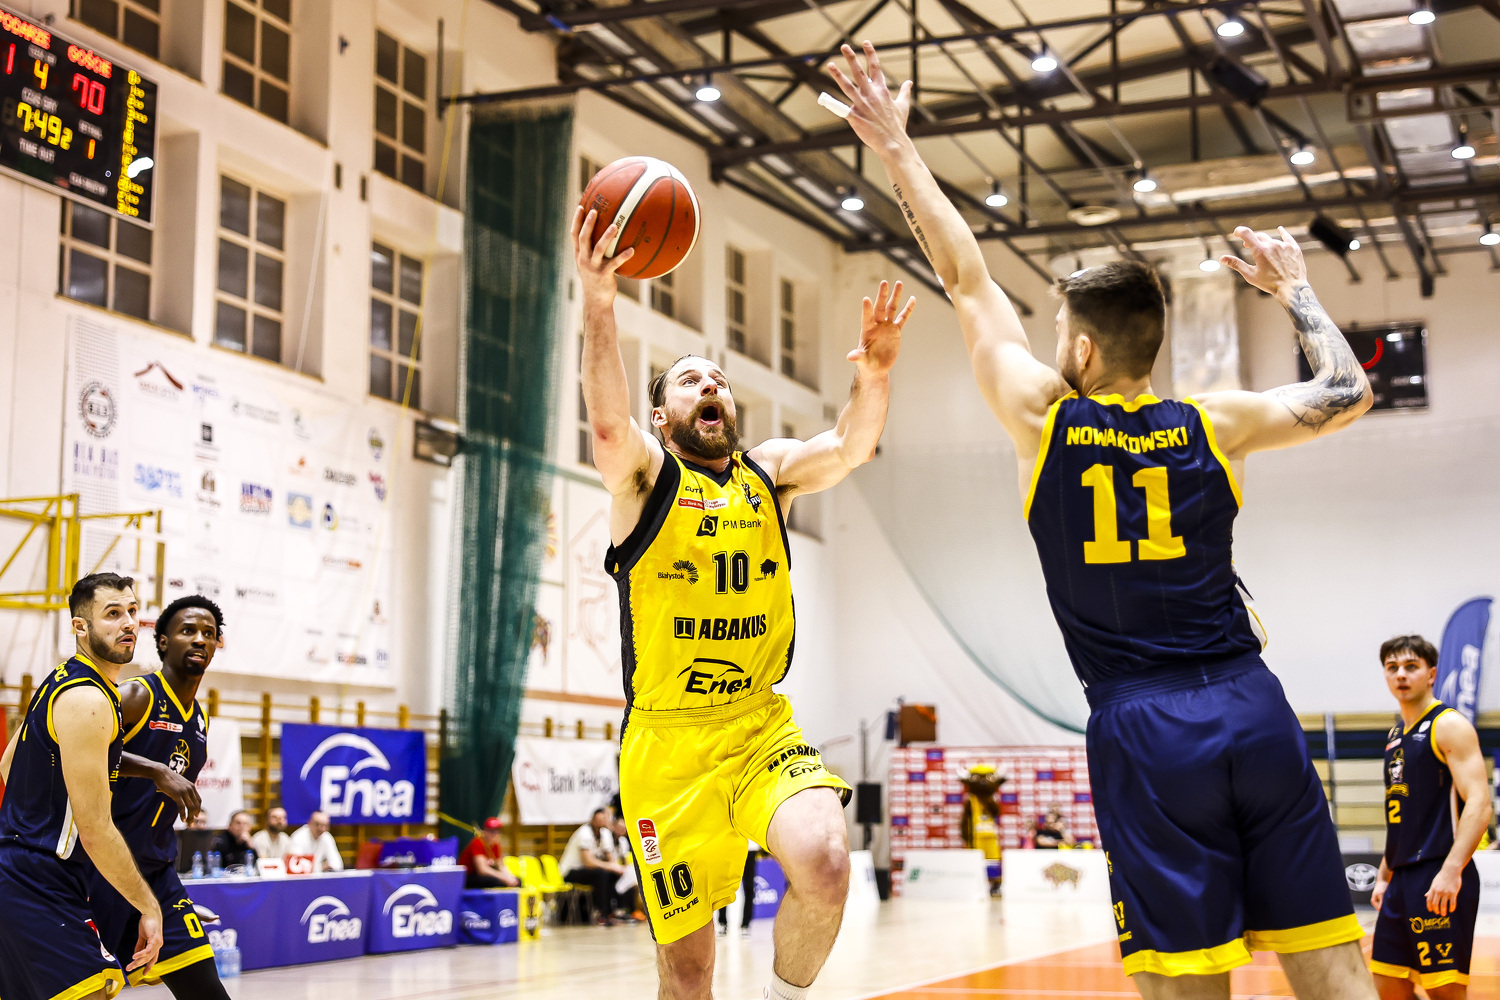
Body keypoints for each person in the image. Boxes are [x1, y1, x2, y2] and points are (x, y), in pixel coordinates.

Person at [828, 41, 1377, 1000]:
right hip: (1254, 706)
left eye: (1056, 334)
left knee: (1184, 978)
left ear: (1081, 349)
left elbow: (967, 281)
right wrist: (1294, 288)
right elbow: (1349, 391)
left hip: (1144, 723)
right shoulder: (1217, 423)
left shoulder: (1045, 419)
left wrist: (898, 150)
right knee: (1329, 962)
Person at [575, 199, 911, 1000]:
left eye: (719, 381)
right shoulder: (647, 479)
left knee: (825, 862)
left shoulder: (769, 472)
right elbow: (610, 429)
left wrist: (874, 376)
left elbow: (851, 445)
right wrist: (599, 302)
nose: (713, 386)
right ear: (665, 415)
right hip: (667, 749)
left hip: (758, 724)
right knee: (689, 974)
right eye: (692, 381)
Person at [0, 573, 164, 1000]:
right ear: (80, 626)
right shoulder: (89, 700)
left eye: (132, 611)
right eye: (112, 613)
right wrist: (148, 906)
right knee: (94, 991)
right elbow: (95, 829)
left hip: (23, 871)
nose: (128, 622)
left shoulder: (61, 680)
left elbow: (8, 764)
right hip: (35, 879)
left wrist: (39, 819)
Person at [90, 593, 233, 999]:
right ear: (164, 642)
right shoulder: (137, 695)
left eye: (209, 633)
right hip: (98, 868)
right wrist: (155, 770)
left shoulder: (199, 718)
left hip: (157, 876)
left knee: (206, 989)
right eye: (188, 630)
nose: (200, 639)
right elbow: (81, 748)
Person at [1369, 636, 1491, 999]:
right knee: (1388, 985)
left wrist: (1452, 870)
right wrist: (1384, 875)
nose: (1400, 675)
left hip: (1438, 872)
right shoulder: (1395, 736)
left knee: (1445, 992)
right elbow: (1403, 818)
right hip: (1400, 879)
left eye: (1411, 667)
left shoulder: (1448, 725)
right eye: (1392, 668)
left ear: (1431, 674)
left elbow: (1480, 804)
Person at [560, 808, 625, 926]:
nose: (602, 821)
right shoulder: (584, 833)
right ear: (593, 819)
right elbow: (588, 862)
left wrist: (616, 867)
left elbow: (610, 859)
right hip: (571, 872)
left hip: (590, 871)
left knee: (613, 874)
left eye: (605, 819)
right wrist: (610, 866)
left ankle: (614, 912)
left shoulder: (605, 833)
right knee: (602, 874)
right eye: (600, 819)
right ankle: (601, 915)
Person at [460, 817, 519, 889]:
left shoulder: (495, 845)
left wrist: (510, 877)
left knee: (517, 880)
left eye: (498, 831)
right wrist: (503, 877)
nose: (495, 834)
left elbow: (501, 866)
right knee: (495, 882)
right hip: (469, 876)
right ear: (485, 831)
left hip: (482, 876)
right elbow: (482, 870)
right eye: (492, 831)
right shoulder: (478, 843)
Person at [716, 841, 759, 938]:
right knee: (724, 886)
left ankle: (746, 925)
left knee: (749, 886)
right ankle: (722, 922)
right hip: (730, 846)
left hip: (750, 848)